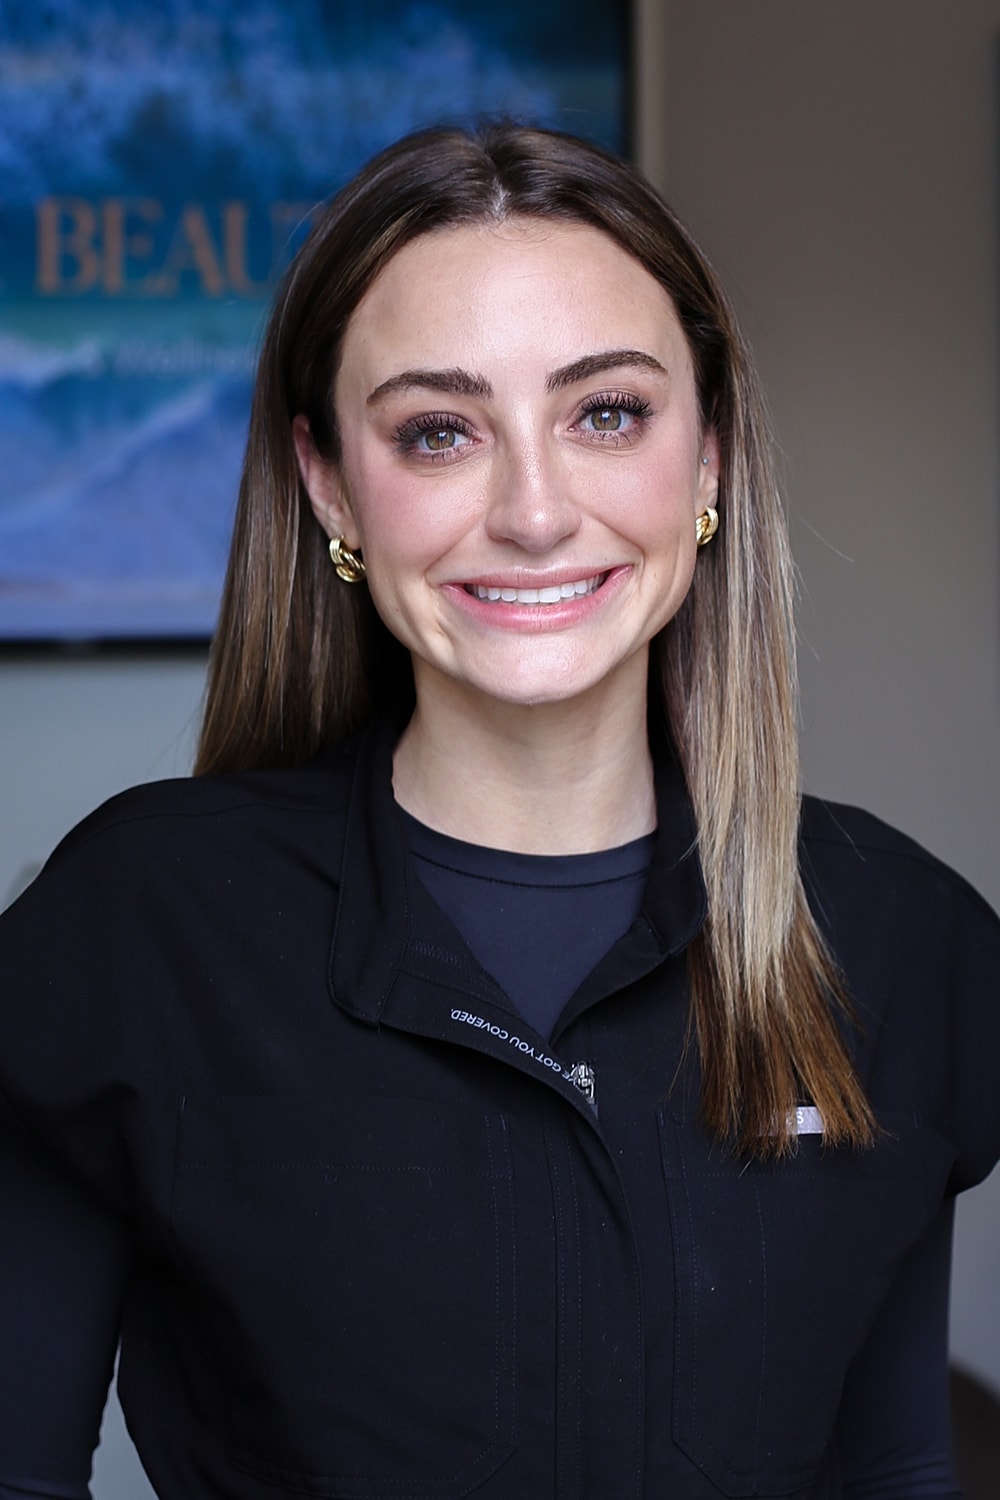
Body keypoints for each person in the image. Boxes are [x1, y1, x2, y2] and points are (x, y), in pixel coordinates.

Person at [1, 121, 998, 1500]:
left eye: (606, 411)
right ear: (331, 484)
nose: (534, 512)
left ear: (706, 457)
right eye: (437, 432)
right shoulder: (138, 931)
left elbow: (898, 1471)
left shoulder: (898, 938)